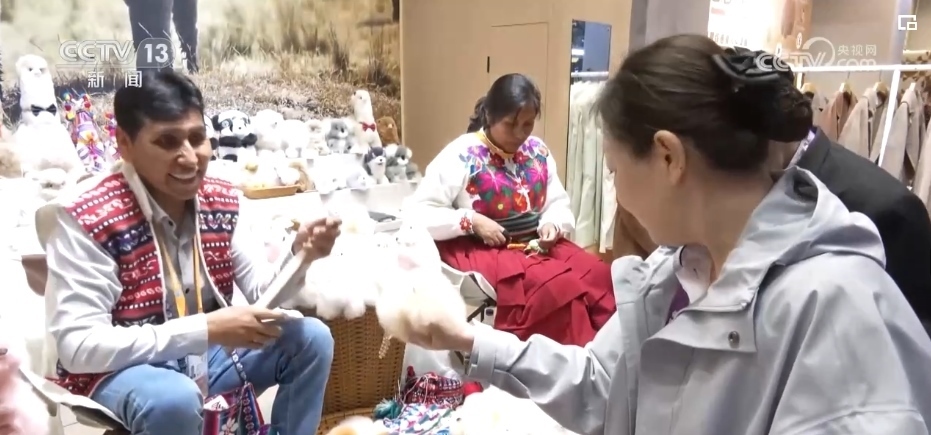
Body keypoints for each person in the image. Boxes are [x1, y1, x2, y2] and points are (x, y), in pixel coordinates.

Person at [404, 35, 931, 434]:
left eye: (614, 169)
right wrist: (470, 340)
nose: (616, 190)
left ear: (667, 157)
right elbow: (602, 383)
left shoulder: (837, 309)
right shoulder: (676, 271)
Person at [42, 69, 339, 434]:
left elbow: (262, 295)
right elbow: (78, 347)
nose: (189, 158)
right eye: (167, 141)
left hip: (206, 354)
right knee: (174, 399)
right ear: (125, 144)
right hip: (124, 369)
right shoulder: (87, 216)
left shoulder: (223, 199)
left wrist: (300, 256)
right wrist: (206, 329)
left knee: (311, 339)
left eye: (197, 138)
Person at [405, 73, 615, 346]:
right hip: (486, 249)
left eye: (527, 124)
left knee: (600, 276)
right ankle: (565, 362)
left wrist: (552, 223)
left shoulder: (537, 151)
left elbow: (556, 202)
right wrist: (471, 220)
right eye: (510, 124)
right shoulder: (462, 154)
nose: (519, 134)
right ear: (489, 116)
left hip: (536, 243)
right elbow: (418, 212)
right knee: (556, 289)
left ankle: (607, 356)